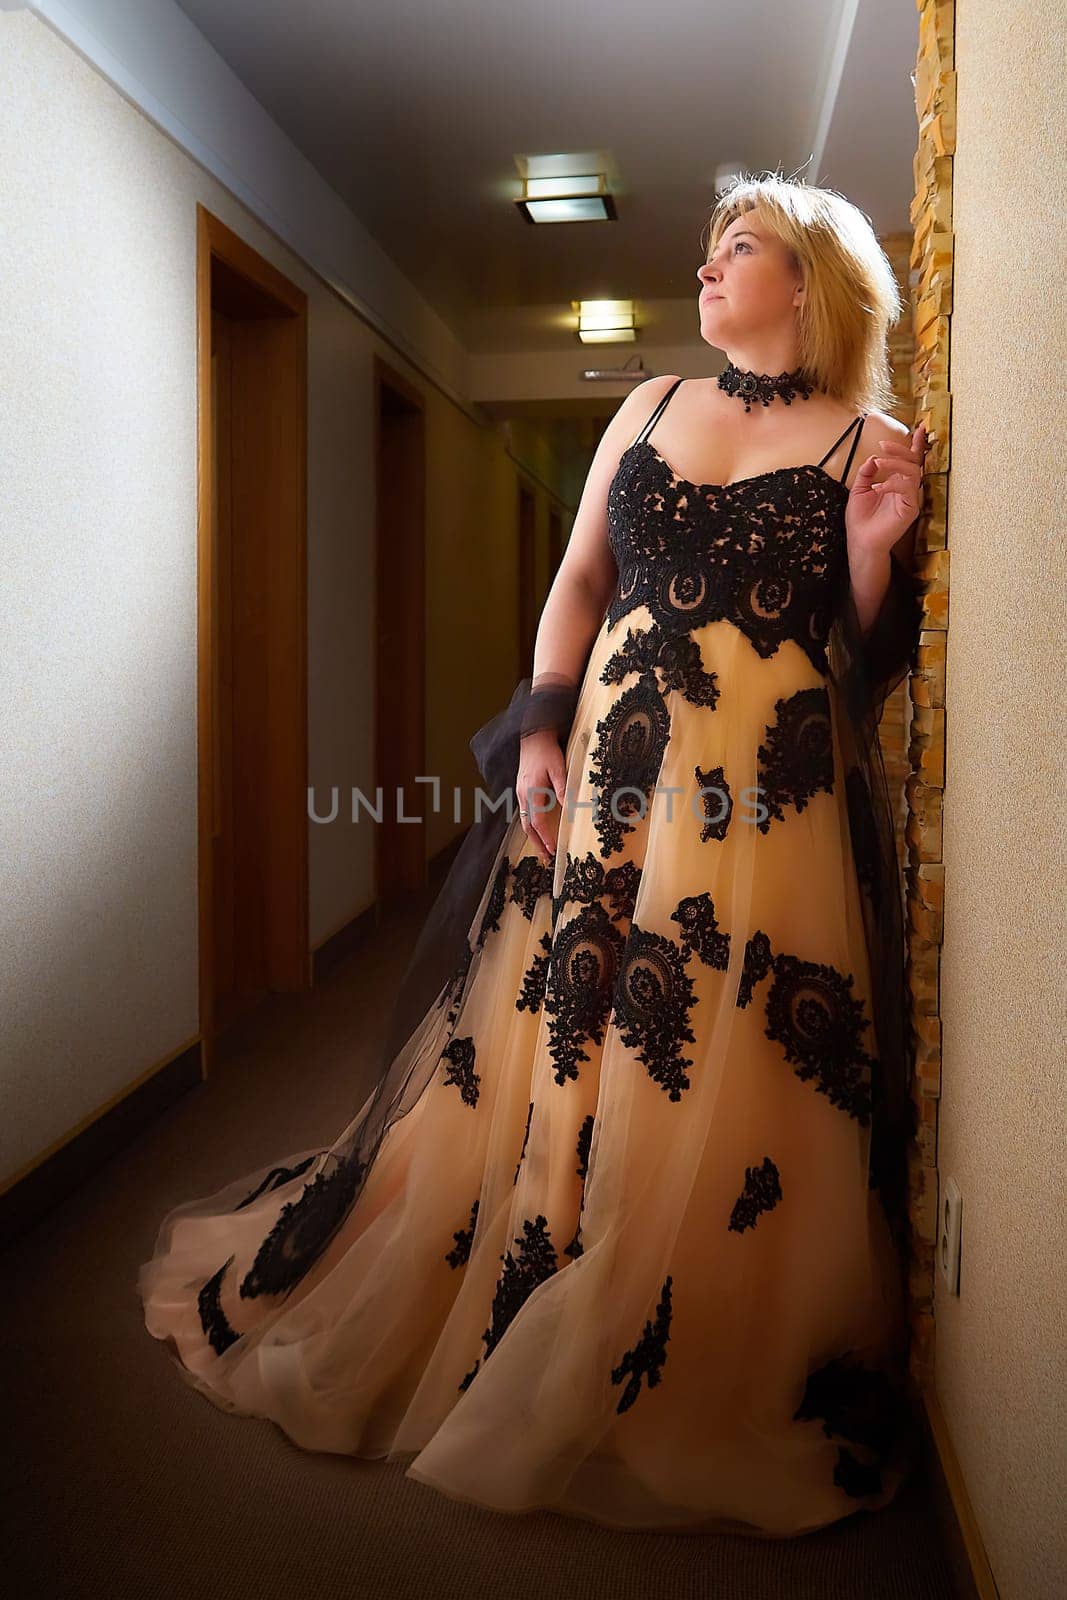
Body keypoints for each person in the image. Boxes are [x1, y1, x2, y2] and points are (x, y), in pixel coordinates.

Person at [139, 172, 927, 1539]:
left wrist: (870, 548)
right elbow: (578, 582)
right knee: (569, 1024)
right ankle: (539, 1270)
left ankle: (668, 1337)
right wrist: (546, 730)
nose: (706, 268)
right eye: (707, 250)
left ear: (807, 281)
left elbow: (856, 657)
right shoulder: (650, 405)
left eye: (736, 249)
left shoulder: (874, 439)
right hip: (615, 765)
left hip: (765, 801)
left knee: (724, 1059)